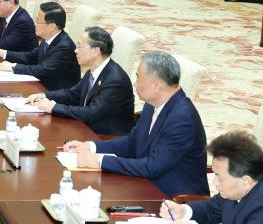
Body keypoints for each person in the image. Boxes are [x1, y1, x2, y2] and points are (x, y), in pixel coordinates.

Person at [63, 51, 209, 197]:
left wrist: (100, 161)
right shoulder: (152, 103)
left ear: (156, 85)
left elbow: (153, 167)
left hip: (173, 199)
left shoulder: (182, 119)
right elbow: (132, 143)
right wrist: (90, 146)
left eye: (138, 78)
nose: (135, 84)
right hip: (144, 184)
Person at [26, 27, 135, 135]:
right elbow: (72, 94)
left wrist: (54, 107)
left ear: (96, 51)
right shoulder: (94, 70)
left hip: (107, 137)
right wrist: (44, 96)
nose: (75, 50)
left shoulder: (115, 80)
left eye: (80, 47)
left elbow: (92, 113)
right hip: (87, 129)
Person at [0, 2, 80, 90]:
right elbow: (30, 56)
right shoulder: (48, 38)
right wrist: (0, 52)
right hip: (42, 86)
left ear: (51, 27)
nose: (35, 25)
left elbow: (42, 69)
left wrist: (13, 67)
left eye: (38, 22)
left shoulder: (64, 47)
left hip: (56, 94)